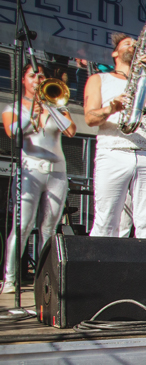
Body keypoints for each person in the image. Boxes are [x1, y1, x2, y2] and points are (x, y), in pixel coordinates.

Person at [83, 31, 146, 239]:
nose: (133, 47)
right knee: (106, 219)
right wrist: (112, 107)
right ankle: (100, 270)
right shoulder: (100, 79)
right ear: (115, 53)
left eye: (136, 45)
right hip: (114, 150)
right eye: (127, 44)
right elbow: (89, 118)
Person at [1, 64, 76, 293]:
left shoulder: (55, 105)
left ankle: (45, 278)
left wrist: (52, 108)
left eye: (41, 75)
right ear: (23, 80)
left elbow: (70, 131)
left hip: (57, 171)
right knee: (22, 226)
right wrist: (32, 112)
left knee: (49, 228)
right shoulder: (12, 107)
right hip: (30, 170)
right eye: (32, 75)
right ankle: (10, 278)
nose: (38, 79)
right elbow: (13, 132)